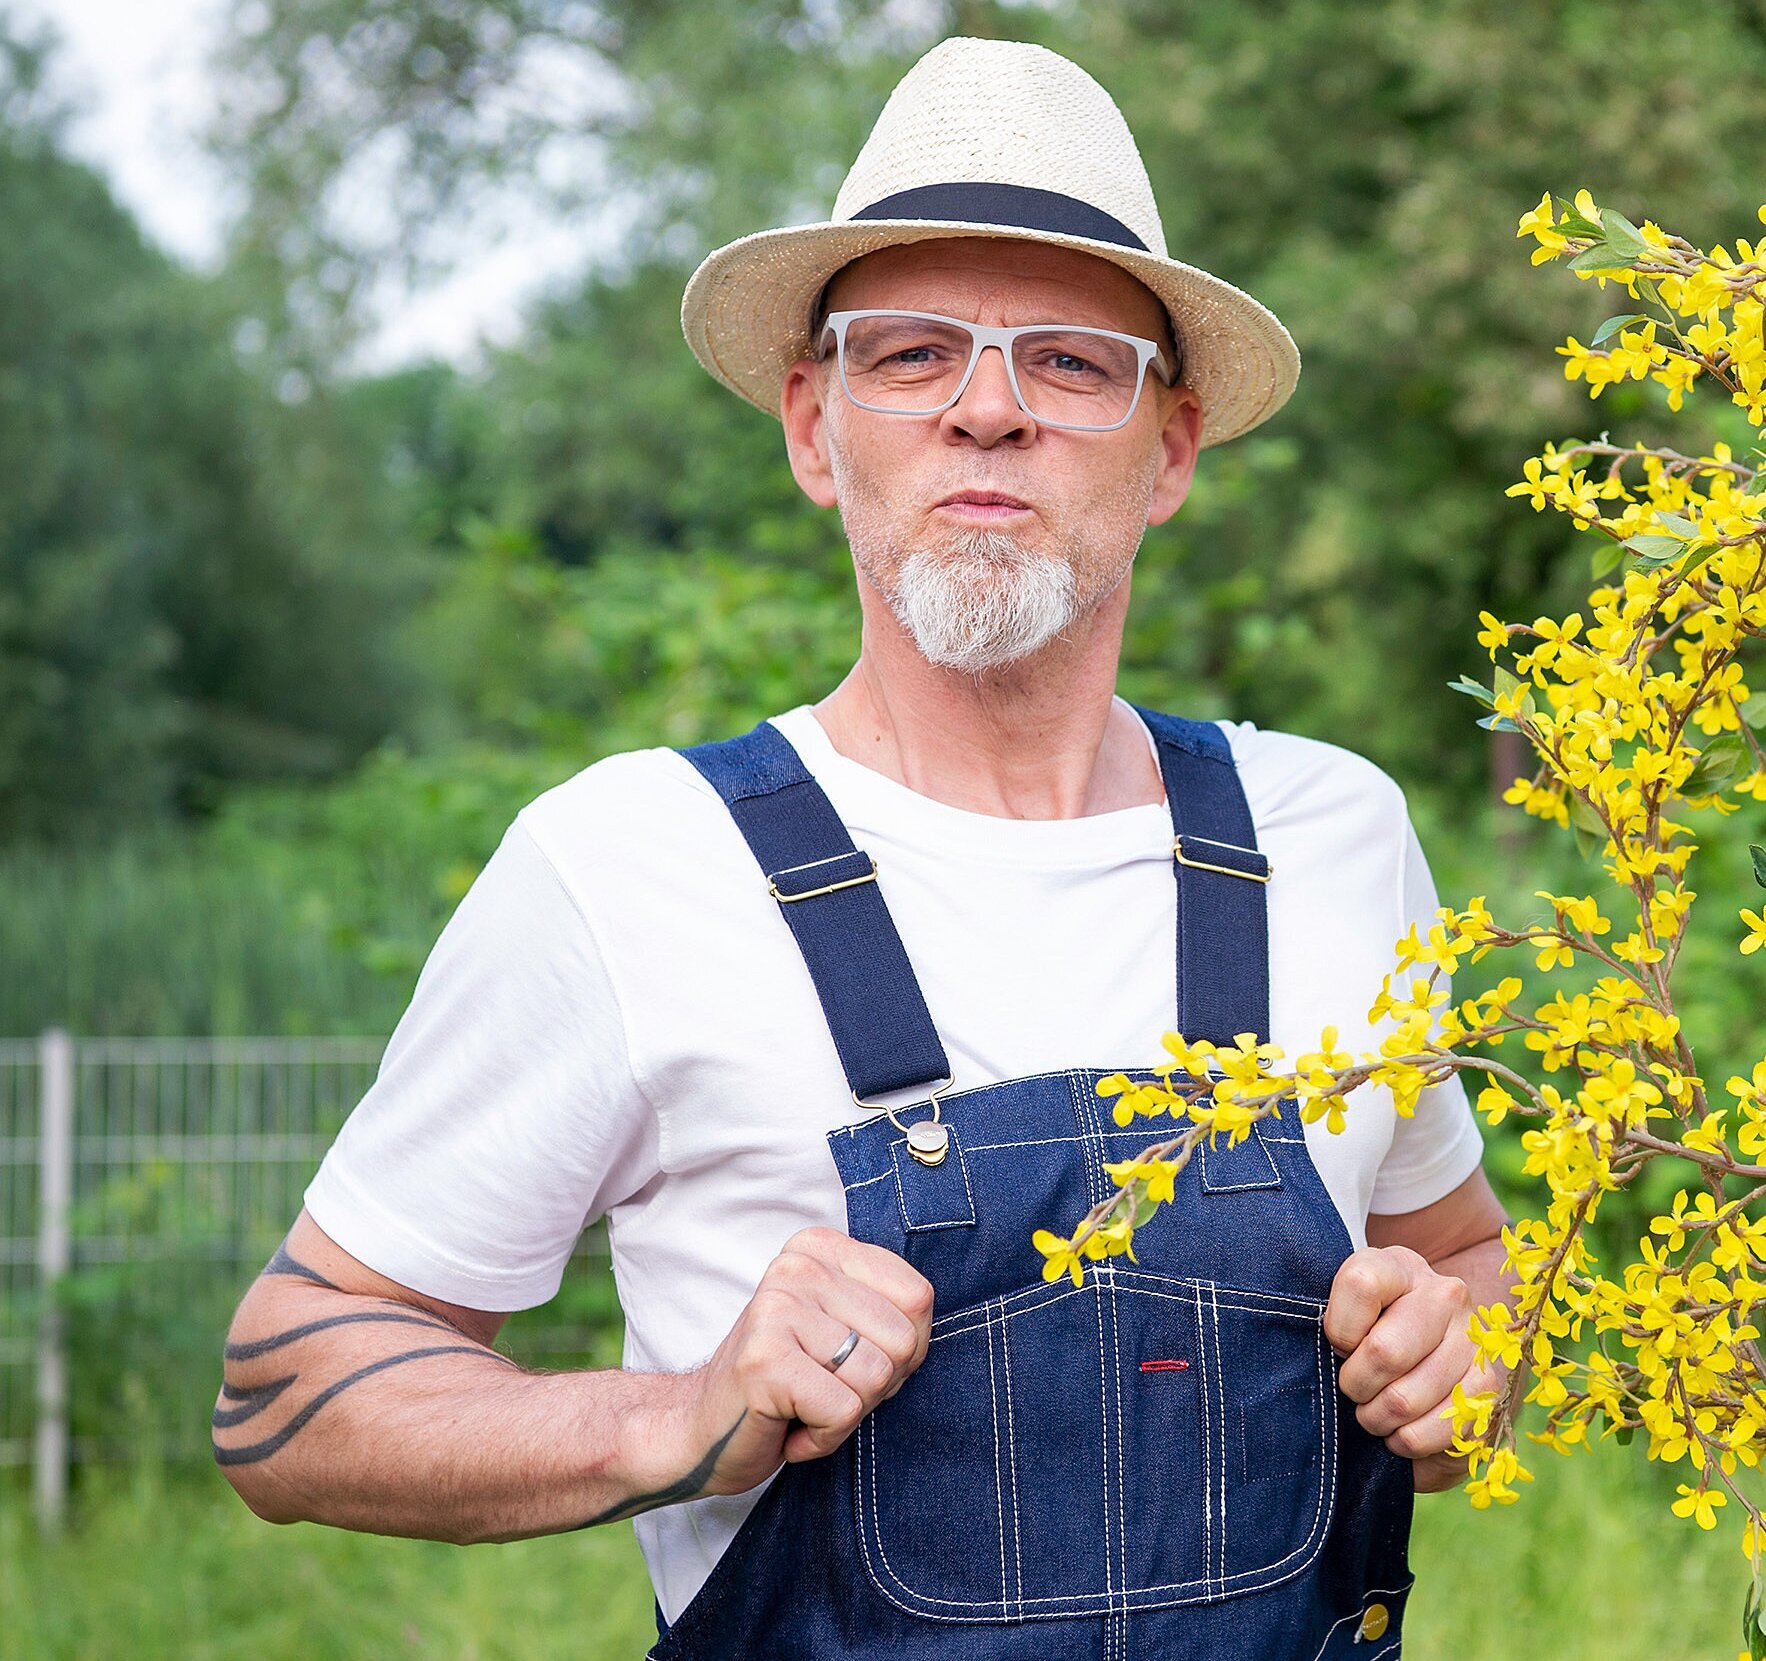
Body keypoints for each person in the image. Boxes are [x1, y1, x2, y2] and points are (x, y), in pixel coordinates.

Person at [211, 37, 1511, 1659]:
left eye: (1070, 361)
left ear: (1168, 448)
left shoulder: (1334, 834)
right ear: (816, 428)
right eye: (911, 355)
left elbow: (1459, 1255)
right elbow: (285, 1388)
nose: (987, 410)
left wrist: (1467, 1363)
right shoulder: (625, 865)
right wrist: (672, 1415)